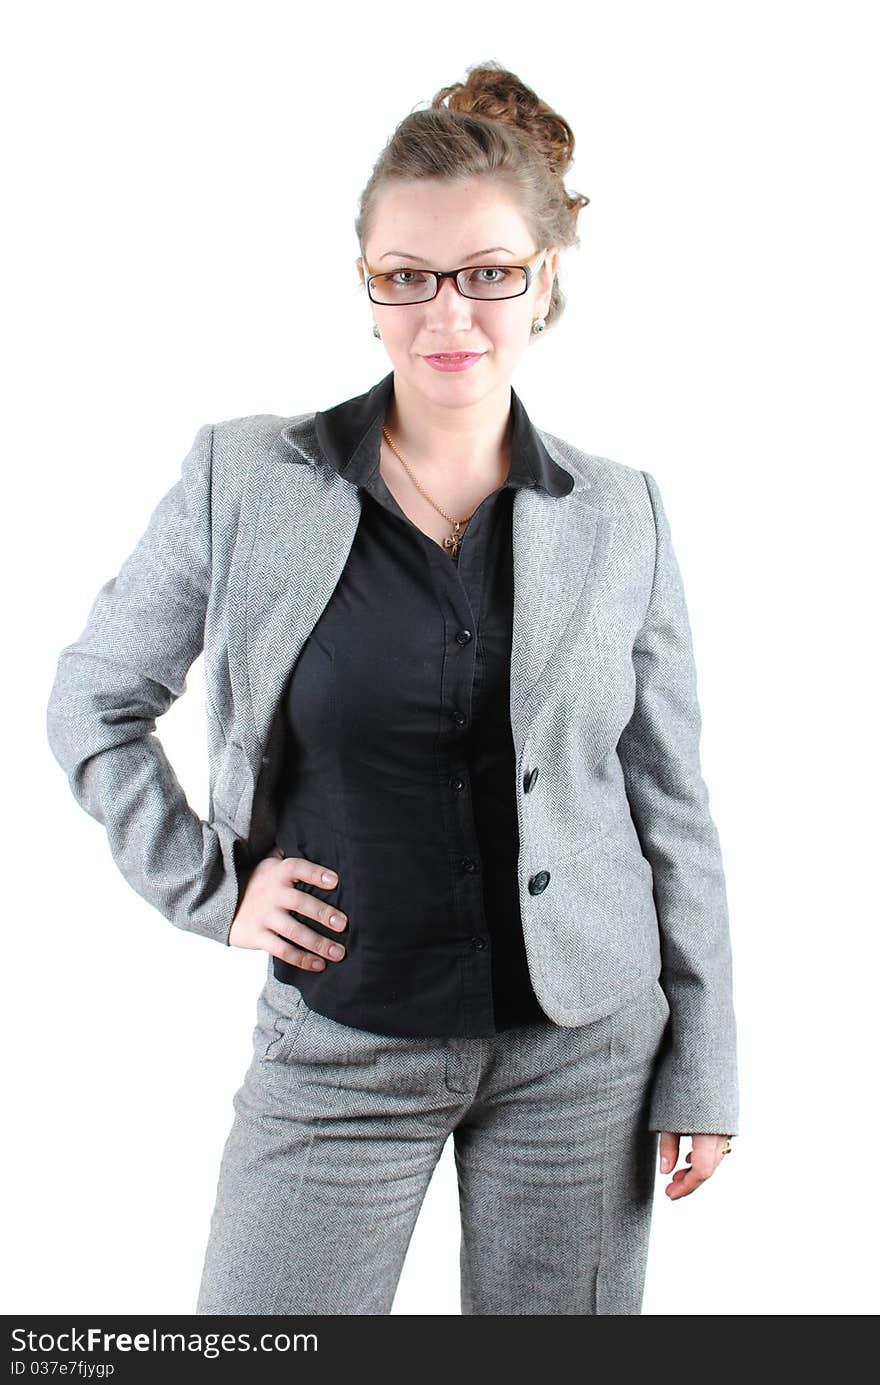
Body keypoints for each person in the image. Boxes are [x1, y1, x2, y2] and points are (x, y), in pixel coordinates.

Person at [46, 61, 739, 1316]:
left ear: (544, 280)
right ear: (366, 284)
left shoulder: (620, 511)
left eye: (487, 272)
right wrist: (211, 888)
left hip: (583, 1050)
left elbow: (670, 802)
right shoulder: (246, 479)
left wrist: (706, 1061)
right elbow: (92, 700)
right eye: (405, 276)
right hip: (342, 1039)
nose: (447, 313)